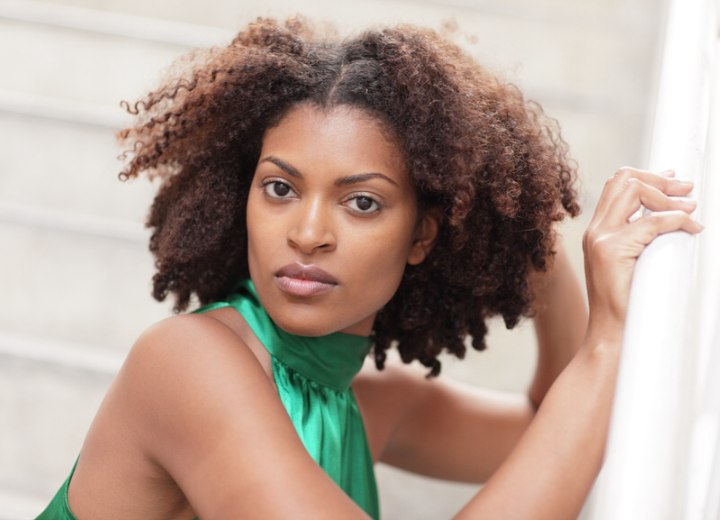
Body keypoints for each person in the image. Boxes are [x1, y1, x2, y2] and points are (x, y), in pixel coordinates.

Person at [37, 17, 702, 520]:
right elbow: (571, 420)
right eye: (280, 188)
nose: (307, 233)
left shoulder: (365, 403)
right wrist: (609, 337)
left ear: (423, 237)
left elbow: (553, 434)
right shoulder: (186, 364)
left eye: (361, 202)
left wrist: (535, 244)